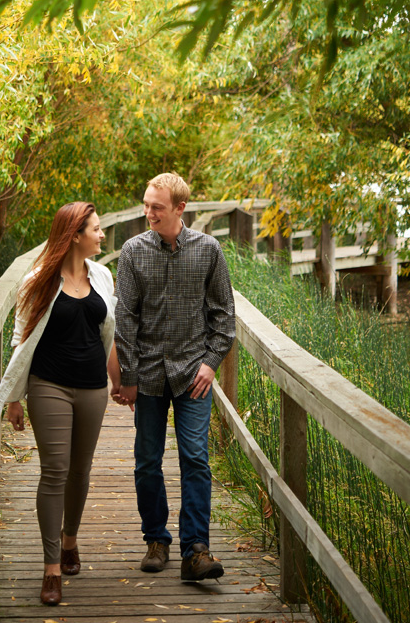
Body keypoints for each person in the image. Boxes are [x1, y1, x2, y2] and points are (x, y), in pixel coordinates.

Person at [0, 202, 120, 607]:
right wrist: (15, 398)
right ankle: (50, 568)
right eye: (96, 230)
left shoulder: (102, 276)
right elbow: (19, 337)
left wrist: (120, 382)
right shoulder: (38, 281)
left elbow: (109, 333)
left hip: (92, 388)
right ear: (75, 235)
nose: (102, 236)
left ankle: (70, 541)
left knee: (80, 472)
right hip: (48, 385)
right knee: (55, 472)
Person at [115, 173, 235, 582]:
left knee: (195, 459)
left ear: (180, 209)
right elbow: (125, 320)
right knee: (147, 462)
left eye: (157, 207)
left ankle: (196, 551)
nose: (149, 212)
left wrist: (211, 362)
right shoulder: (132, 252)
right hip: (147, 373)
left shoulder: (208, 250)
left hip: (192, 373)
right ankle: (156, 540)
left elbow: (224, 317)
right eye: (146, 204)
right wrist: (127, 376)